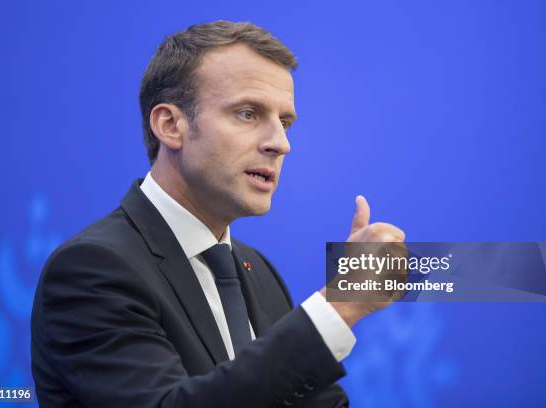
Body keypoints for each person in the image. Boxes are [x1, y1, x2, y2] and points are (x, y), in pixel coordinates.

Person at [31, 20, 405, 407]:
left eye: (285, 122)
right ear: (170, 125)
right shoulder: (92, 270)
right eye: (248, 113)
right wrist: (339, 306)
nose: (281, 143)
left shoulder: (258, 272)